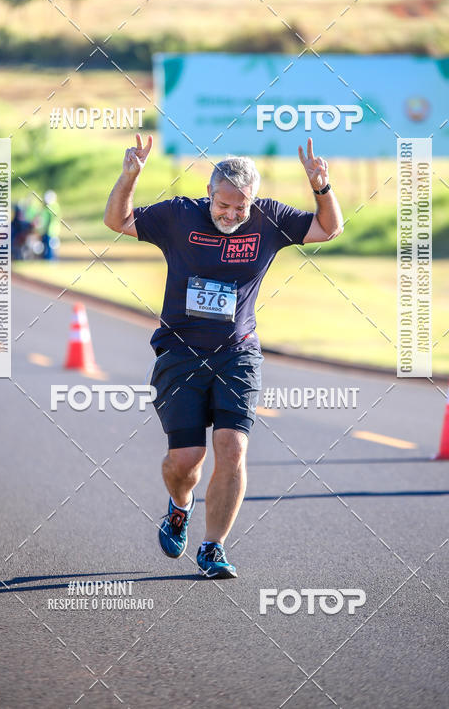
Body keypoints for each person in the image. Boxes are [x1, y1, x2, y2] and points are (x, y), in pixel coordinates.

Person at [103, 135, 343, 578]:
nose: (231, 215)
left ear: (253, 200)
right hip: (180, 352)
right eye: (223, 205)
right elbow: (116, 220)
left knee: (232, 448)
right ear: (209, 194)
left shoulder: (270, 219)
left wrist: (321, 187)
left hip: (238, 353)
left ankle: (213, 547)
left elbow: (328, 230)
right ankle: (179, 506)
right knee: (186, 460)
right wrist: (129, 176)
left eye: (240, 207)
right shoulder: (178, 215)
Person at [38, 190, 61, 260]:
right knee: (45, 245)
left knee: (50, 246)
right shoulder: (47, 208)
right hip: (46, 230)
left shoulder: (53, 207)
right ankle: (46, 258)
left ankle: (50, 259)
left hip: (51, 230)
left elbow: (53, 218)